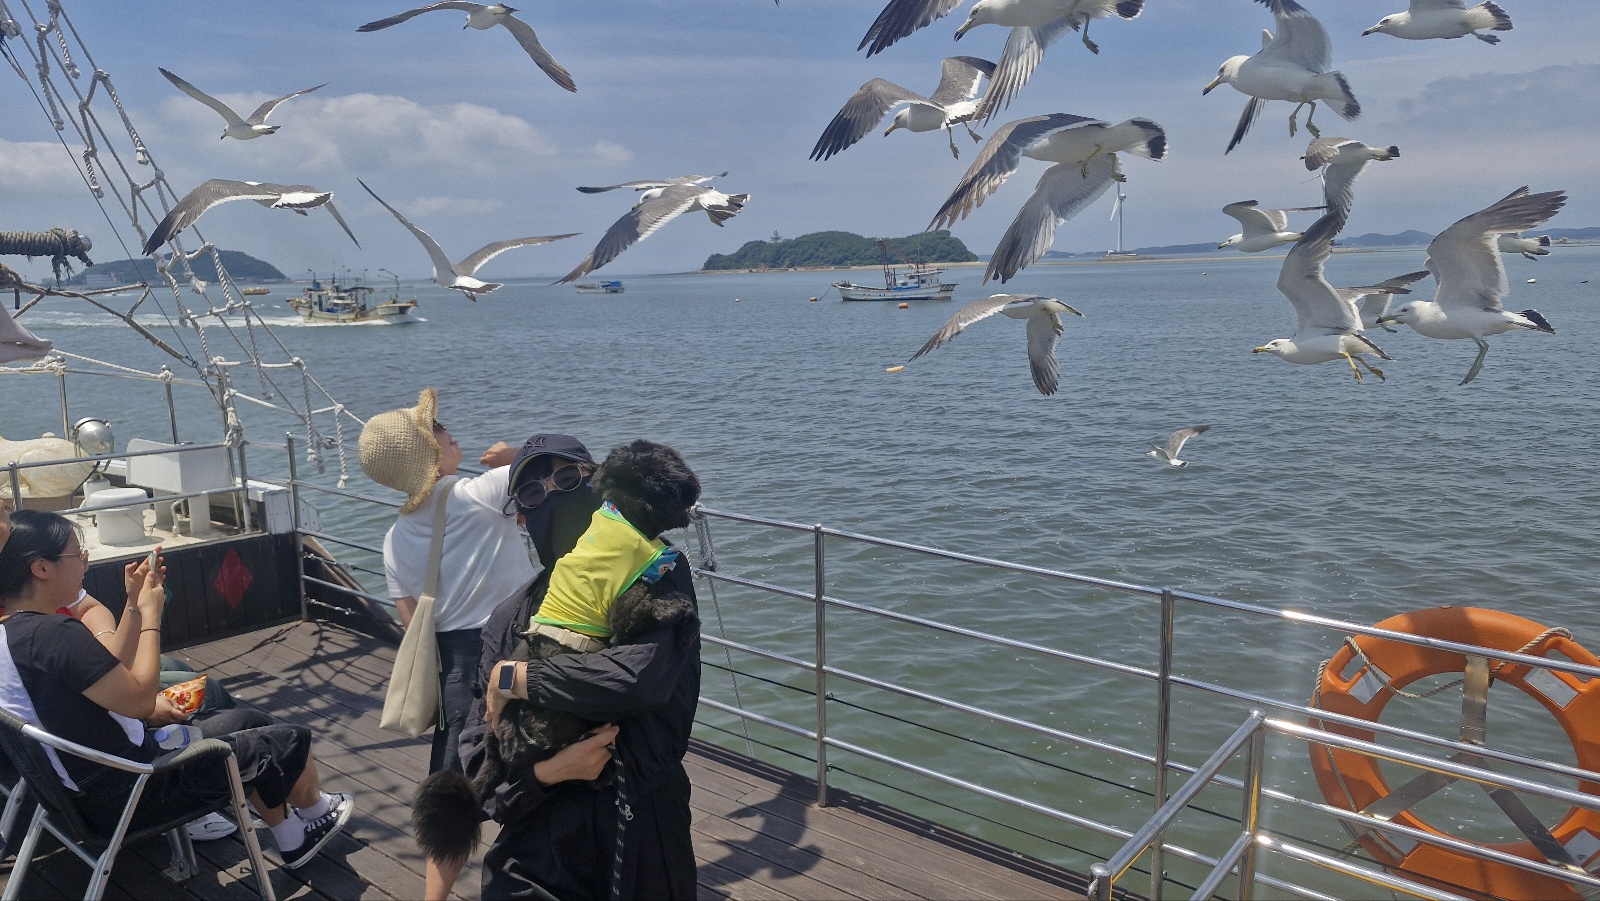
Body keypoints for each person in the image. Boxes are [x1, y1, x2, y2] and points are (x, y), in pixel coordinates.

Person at [0, 510, 354, 869]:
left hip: (81, 798)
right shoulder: (54, 635)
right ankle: (314, 817)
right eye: (77, 554)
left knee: (248, 720)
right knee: (290, 738)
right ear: (41, 568)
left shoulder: (16, 636)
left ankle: (297, 828)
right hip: (137, 793)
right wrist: (153, 614)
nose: (85, 562)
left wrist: (134, 604)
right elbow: (138, 700)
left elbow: (106, 670)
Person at [454, 435, 703, 901]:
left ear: (600, 487)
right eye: (532, 492)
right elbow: (478, 757)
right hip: (542, 837)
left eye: (568, 478)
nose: (552, 495)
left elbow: (637, 679)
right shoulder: (510, 617)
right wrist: (550, 773)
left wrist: (515, 677)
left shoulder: (657, 569)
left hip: (643, 822)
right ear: (522, 518)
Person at [359, 388, 537, 777]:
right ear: (425, 453)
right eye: (435, 427)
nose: (446, 428)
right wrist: (514, 457)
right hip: (516, 645)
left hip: (454, 665)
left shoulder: (394, 540)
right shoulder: (484, 491)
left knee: (453, 772)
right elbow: (570, 466)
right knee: (534, 761)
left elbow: (414, 626)